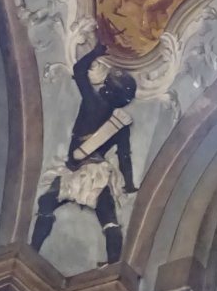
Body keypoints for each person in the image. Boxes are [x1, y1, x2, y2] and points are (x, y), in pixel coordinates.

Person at [30, 43, 137, 264]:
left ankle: (33, 249)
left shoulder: (93, 102)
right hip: (93, 171)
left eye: (107, 83)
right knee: (107, 217)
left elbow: (79, 70)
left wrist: (95, 52)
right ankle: (113, 264)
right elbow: (124, 156)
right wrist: (128, 183)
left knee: (48, 203)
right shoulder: (121, 125)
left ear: (108, 88)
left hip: (81, 168)